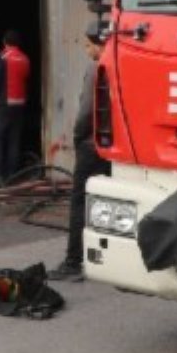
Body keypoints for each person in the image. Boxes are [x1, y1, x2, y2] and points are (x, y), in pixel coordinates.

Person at [49, 29, 113, 281]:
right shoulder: (121, 63)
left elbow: (87, 110)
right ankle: (107, 259)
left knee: (79, 202)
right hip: (113, 146)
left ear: (98, 45)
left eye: (88, 46)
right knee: (108, 200)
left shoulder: (96, 68)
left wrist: (77, 136)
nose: (87, 51)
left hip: (91, 145)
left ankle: (74, 260)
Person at [0, 29, 31, 182]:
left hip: (2, 106)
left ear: (5, 42)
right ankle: (13, 175)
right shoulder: (25, 58)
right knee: (14, 140)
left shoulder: (2, 57)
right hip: (19, 106)